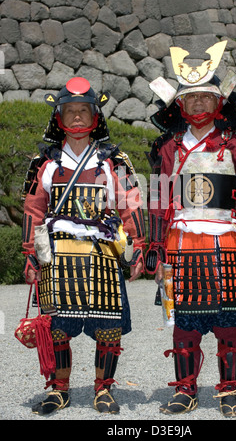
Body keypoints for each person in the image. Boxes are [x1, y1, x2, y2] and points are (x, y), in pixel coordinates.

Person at [145, 42, 236, 417]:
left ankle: (229, 390)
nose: (199, 104)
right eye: (192, 99)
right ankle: (185, 390)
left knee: (228, 320)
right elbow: (157, 196)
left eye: (206, 97)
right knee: (184, 322)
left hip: (226, 238)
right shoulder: (168, 145)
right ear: (180, 104)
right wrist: (154, 244)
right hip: (181, 241)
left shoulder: (235, 142)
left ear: (219, 102)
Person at [22, 77, 145, 415]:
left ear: (95, 117)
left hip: (102, 251)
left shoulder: (113, 161)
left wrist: (139, 248)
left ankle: (103, 390)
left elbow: (130, 204)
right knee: (58, 328)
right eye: (70, 111)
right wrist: (29, 255)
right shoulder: (44, 163)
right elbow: (33, 211)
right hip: (57, 254)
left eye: (84, 111)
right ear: (59, 117)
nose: (77, 117)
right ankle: (59, 389)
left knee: (108, 326)